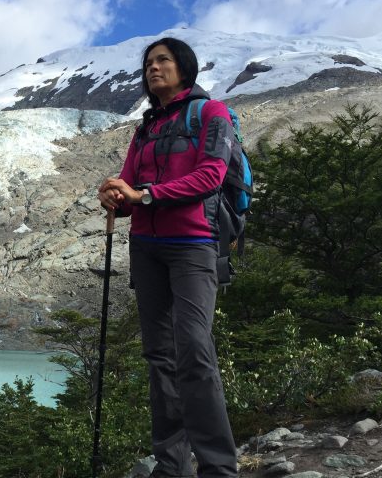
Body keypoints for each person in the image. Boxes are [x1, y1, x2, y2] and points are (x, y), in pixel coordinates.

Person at [97, 37, 238, 478]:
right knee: (160, 358)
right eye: (148, 62)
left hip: (194, 246)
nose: (153, 68)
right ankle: (170, 465)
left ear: (184, 68)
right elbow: (129, 186)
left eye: (163, 60)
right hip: (148, 249)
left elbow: (211, 176)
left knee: (194, 352)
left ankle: (218, 467)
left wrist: (146, 195)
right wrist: (116, 198)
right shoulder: (146, 128)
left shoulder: (210, 113)